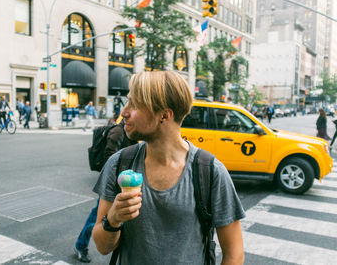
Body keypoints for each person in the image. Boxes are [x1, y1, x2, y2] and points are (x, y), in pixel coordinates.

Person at [92, 71, 245, 264]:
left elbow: (234, 254)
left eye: (135, 104)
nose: (124, 112)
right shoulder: (119, 163)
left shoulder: (210, 171)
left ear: (164, 115)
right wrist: (113, 219)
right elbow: (102, 247)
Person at [74, 118, 137, 263]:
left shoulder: (129, 134)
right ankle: (80, 246)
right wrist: (117, 178)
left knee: (105, 217)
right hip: (115, 185)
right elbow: (110, 156)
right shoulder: (118, 132)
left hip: (122, 183)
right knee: (97, 219)